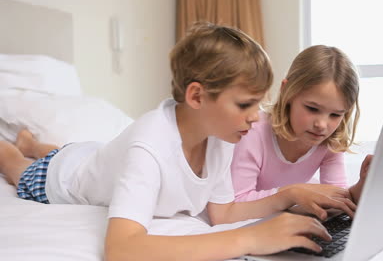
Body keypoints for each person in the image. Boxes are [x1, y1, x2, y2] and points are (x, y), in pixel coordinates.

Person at [0, 23, 356, 260]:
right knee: (20, 166)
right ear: (197, 96)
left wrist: (285, 201)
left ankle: (37, 143)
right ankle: (23, 147)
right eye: (245, 104)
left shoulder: (223, 136)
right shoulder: (148, 148)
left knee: (86, 153)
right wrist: (251, 239)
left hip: (95, 158)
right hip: (61, 178)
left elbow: (222, 212)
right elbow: (121, 249)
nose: (255, 116)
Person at [231, 45, 372, 208]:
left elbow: (336, 198)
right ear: (287, 91)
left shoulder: (330, 142)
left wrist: (362, 184)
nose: (321, 125)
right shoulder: (252, 132)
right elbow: (237, 201)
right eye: (312, 109)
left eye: (335, 115)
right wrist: (295, 193)